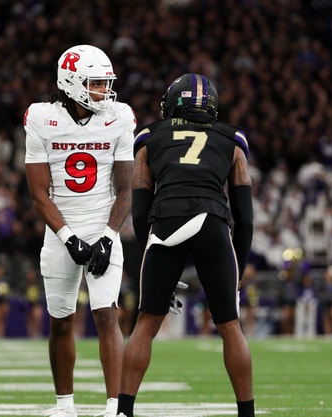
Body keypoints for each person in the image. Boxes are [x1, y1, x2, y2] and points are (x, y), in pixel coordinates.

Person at [117, 74, 255, 417]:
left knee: (146, 322)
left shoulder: (149, 137)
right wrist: (237, 270)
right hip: (212, 221)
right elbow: (245, 217)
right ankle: (247, 413)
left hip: (166, 221)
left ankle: (124, 411)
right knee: (230, 325)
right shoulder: (232, 139)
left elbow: (140, 210)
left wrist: (152, 260)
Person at [24, 44, 135, 417]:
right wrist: (68, 237)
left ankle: (115, 407)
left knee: (107, 314)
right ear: (72, 83)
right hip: (60, 228)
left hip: (104, 226)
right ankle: (64, 406)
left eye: (105, 83)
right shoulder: (42, 118)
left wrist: (108, 237)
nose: (104, 91)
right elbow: (38, 195)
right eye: (97, 84)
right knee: (61, 321)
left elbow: (126, 190)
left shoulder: (119, 117)